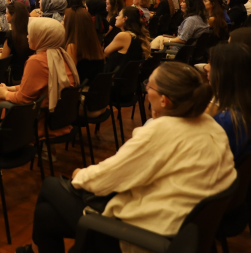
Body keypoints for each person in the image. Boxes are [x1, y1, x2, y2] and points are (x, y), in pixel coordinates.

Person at [21, 62, 235, 253]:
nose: (146, 90)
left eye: (149, 87)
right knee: (45, 215)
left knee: (51, 186)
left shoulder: (163, 130)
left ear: (164, 100)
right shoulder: (210, 125)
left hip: (145, 235)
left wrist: (79, 174)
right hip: (176, 226)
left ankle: (34, 249)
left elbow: (106, 179)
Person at [0, 17, 80, 137]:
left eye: (31, 34)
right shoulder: (62, 54)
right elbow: (37, 87)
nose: (27, 36)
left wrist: (5, 94)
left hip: (39, 121)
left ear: (42, 37)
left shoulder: (37, 61)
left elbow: (23, 99)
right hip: (59, 119)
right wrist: (9, 88)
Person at [205, 42, 251, 159]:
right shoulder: (240, 112)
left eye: (211, 64)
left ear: (225, 73)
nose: (206, 68)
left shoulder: (225, 122)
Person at [104, 7, 151, 77]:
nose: (116, 17)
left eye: (119, 15)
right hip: (129, 78)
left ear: (125, 18)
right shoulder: (139, 35)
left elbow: (106, 53)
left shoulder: (124, 35)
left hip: (115, 78)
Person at [64, 7, 104, 85]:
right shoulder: (94, 42)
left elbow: (69, 77)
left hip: (81, 89)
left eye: (64, 20)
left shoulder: (72, 46)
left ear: (70, 24)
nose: (62, 23)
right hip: (93, 87)